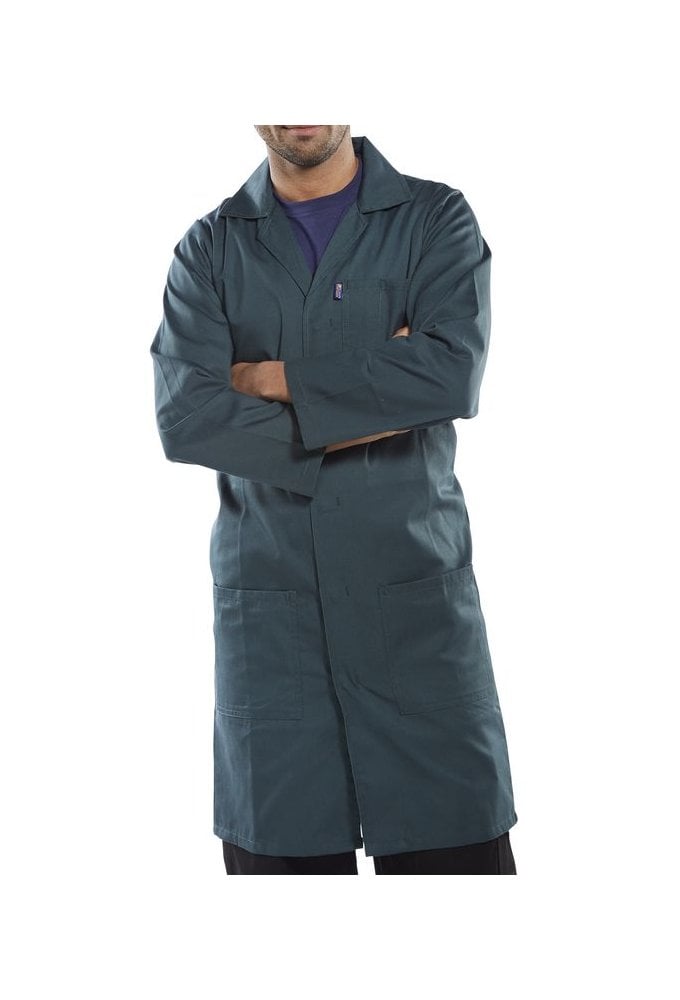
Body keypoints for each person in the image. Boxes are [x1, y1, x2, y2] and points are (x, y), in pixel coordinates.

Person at [150, 125, 519, 875]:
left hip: (416, 619)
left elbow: (448, 377)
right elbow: (187, 418)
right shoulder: (209, 249)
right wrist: (380, 395)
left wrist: (265, 379)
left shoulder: (434, 220)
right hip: (273, 627)